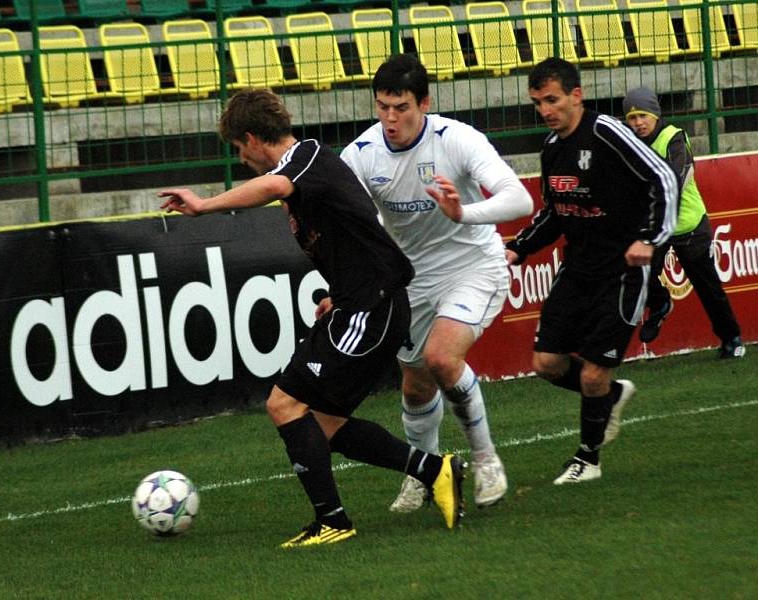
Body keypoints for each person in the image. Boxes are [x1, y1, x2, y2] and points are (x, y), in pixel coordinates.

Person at [159, 88, 466, 547]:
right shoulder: (304, 179)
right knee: (321, 424)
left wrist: (204, 205)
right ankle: (435, 469)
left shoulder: (305, 158)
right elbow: (350, 237)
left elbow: (276, 186)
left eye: (240, 150)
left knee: (283, 404)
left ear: (252, 137)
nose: (243, 161)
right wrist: (336, 296)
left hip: (374, 308)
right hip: (361, 305)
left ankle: (333, 521)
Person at [341, 54, 533, 512]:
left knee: (442, 359)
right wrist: (341, 289)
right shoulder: (362, 155)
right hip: (413, 279)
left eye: (402, 107)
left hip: (473, 265)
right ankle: (423, 474)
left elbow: (519, 199)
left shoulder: (458, 140)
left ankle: (486, 460)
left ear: (424, 103)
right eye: (383, 106)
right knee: (415, 386)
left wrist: (462, 213)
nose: (391, 118)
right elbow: (349, 229)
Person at [505, 58, 679, 485]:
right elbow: (556, 212)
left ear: (576, 95)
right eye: (538, 102)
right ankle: (612, 397)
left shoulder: (607, 132)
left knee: (594, 371)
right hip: (577, 267)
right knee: (546, 363)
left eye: (553, 99)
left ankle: (588, 458)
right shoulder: (551, 148)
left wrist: (650, 238)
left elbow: (664, 178)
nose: (546, 109)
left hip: (622, 270)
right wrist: (518, 248)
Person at [622, 87, 745, 359]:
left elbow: (677, 182)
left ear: (655, 114)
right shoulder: (629, 143)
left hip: (688, 225)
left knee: (707, 287)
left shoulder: (673, 138)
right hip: (657, 227)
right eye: (632, 118)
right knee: (636, 272)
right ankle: (661, 303)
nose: (638, 123)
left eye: (643, 115)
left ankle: (731, 338)